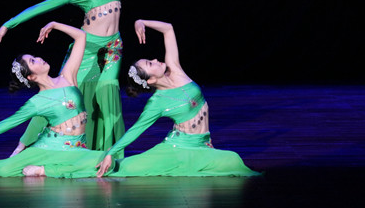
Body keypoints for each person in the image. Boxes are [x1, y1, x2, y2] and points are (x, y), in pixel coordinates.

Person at [0, 0, 131, 157]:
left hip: (113, 46)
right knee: (60, 94)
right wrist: (8, 24)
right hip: (87, 48)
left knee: (107, 92)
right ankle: (23, 146)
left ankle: (108, 155)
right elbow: (39, 7)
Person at [95, 20, 261, 177]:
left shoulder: (174, 68)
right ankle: (99, 161)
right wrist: (111, 153)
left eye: (151, 60)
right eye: (150, 64)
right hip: (177, 149)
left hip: (202, 145)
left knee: (233, 160)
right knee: (126, 167)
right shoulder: (156, 102)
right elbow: (136, 129)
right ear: (150, 80)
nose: (155, 60)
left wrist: (141, 22)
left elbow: (168, 29)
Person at [0, 22, 104, 178]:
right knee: (5, 170)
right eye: (33, 61)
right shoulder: (37, 101)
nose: (39, 58)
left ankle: (45, 170)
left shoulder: (67, 76)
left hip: (75, 149)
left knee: (105, 162)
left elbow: (81, 36)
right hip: (47, 149)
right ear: (31, 77)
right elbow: (9, 122)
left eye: (34, 57)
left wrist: (54, 25)